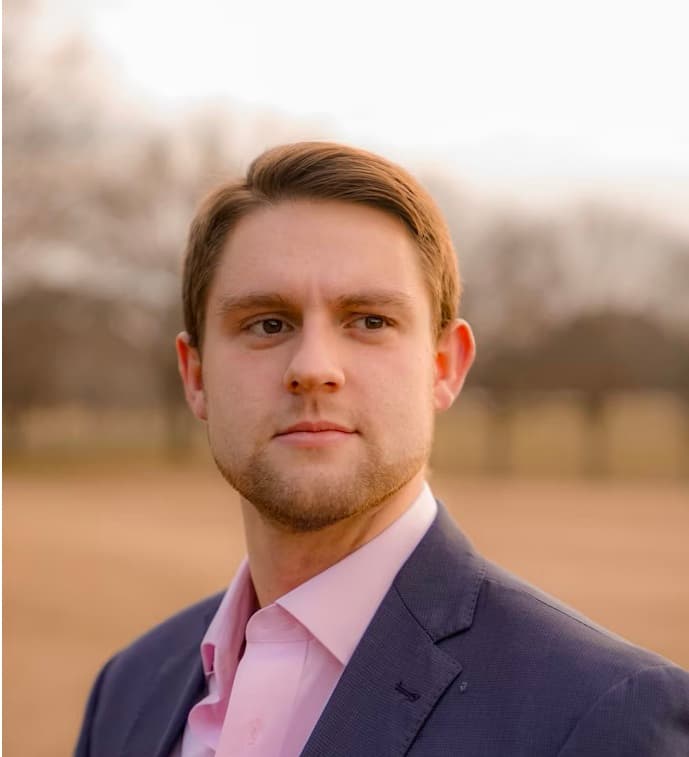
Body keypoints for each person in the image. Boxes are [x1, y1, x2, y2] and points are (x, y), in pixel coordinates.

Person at [75, 142, 689, 757]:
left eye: (369, 321)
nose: (314, 368)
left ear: (445, 366)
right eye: (268, 323)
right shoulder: (128, 689)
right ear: (196, 376)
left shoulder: (604, 714)